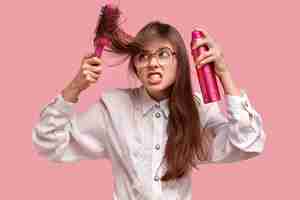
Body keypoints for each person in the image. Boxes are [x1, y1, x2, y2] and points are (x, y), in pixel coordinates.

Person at [32, 21, 266, 200]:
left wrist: (224, 74)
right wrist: (75, 87)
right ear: (136, 66)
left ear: (180, 61)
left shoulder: (199, 110)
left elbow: (247, 143)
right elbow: (48, 144)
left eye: (163, 54)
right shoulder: (114, 109)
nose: (152, 63)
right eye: (143, 56)